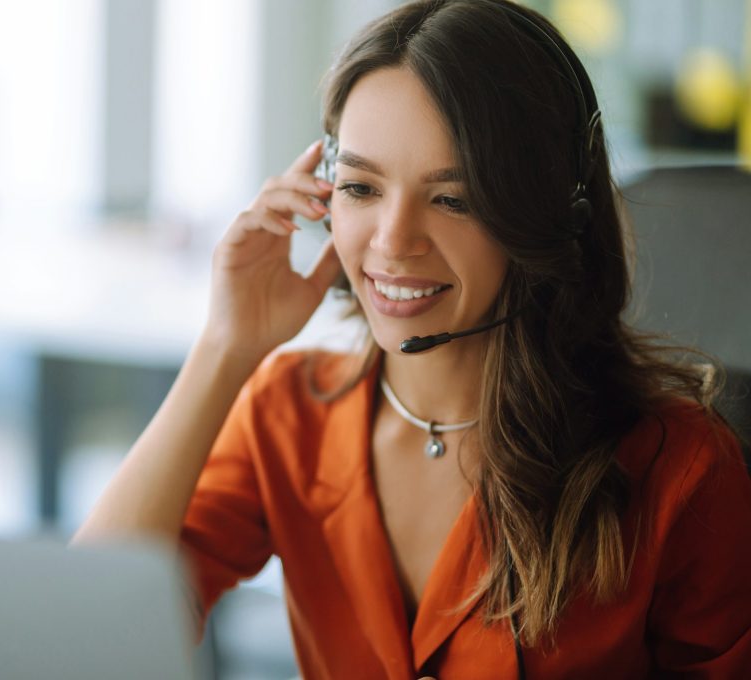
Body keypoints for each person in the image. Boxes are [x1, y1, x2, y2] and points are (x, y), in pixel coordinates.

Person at [73, 1, 751, 677]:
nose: (394, 242)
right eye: (361, 188)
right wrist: (225, 347)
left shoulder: (678, 466)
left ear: (554, 215)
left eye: (453, 199)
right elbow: (87, 635)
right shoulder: (289, 416)